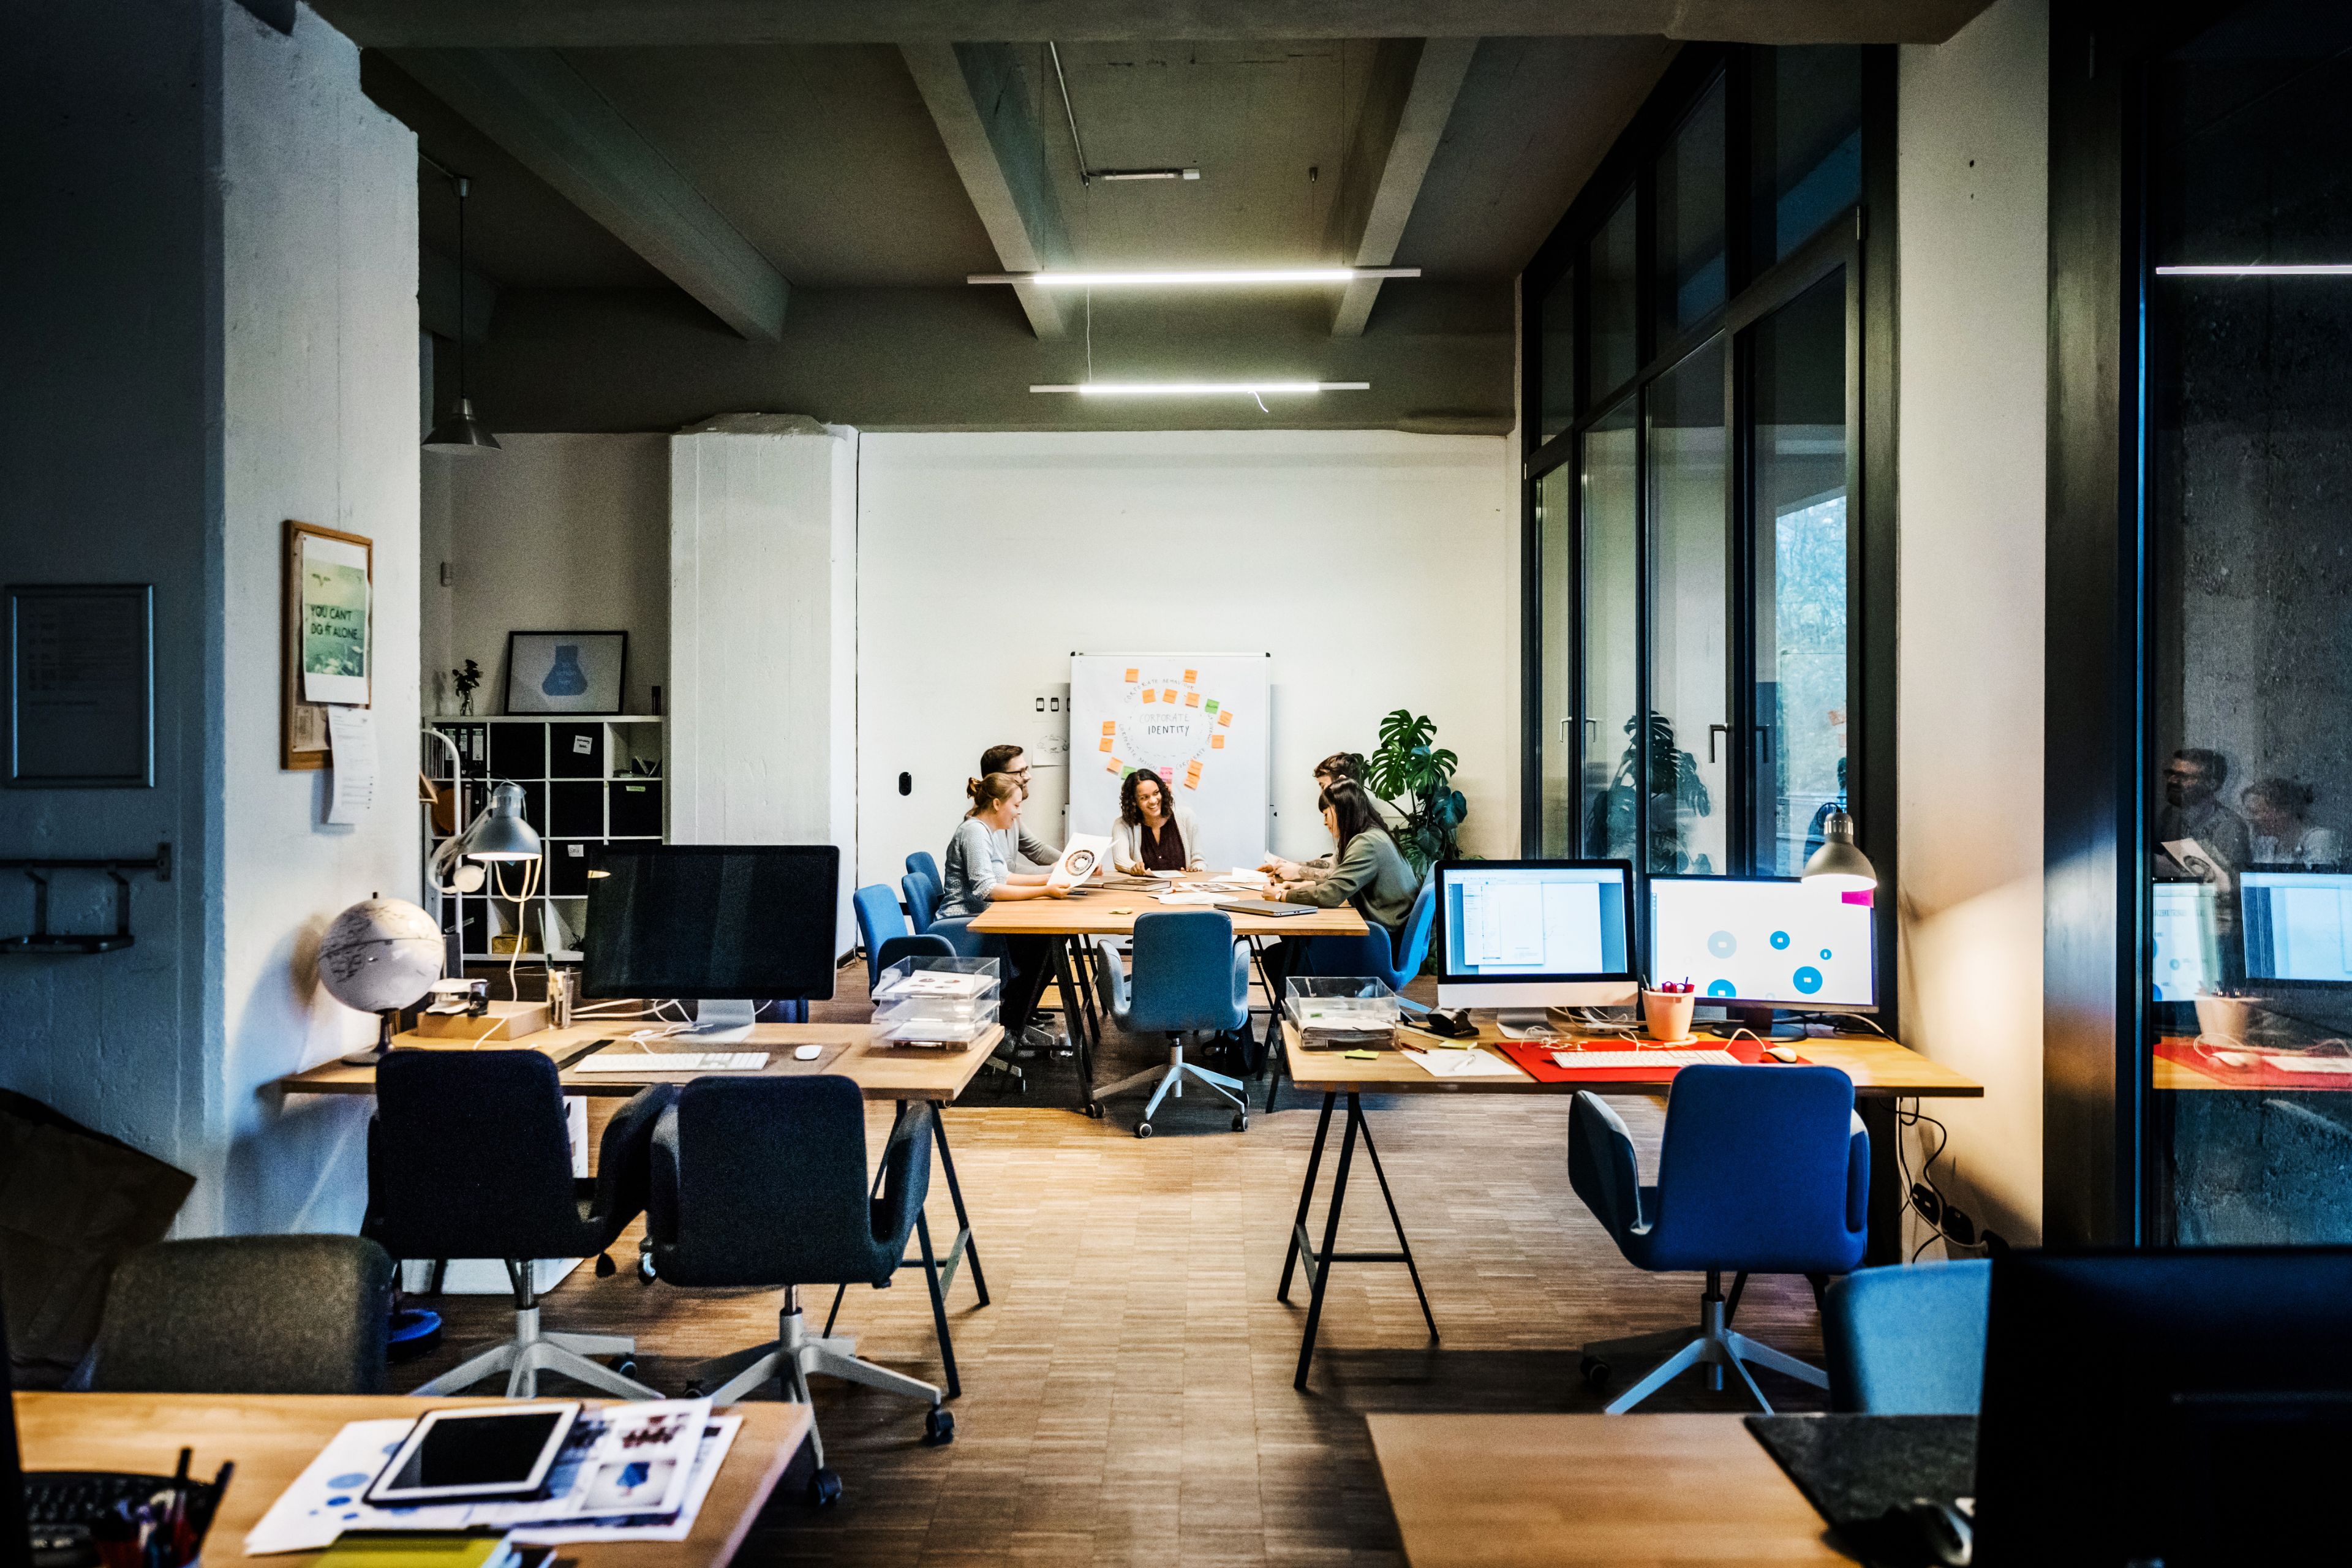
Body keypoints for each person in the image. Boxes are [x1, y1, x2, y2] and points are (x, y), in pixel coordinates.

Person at [1257, 778, 1422, 1013]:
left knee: (1278, 958)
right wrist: (1298, 889)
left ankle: (1311, 1019)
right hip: (1385, 937)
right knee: (1291, 944)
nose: (1325, 822)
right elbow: (1338, 880)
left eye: (1327, 814)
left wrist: (1282, 897)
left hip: (1377, 948)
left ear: (1342, 810)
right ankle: (1316, 1014)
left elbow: (1332, 894)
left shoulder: (1366, 843)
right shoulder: (1373, 835)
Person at [939, 772, 1068, 1042]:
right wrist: (1045, 889)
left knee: (1050, 946)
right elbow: (987, 889)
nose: (1019, 814)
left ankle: (1013, 1023)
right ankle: (1008, 1028)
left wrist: (1050, 878)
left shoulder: (987, 831)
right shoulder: (974, 832)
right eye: (1016, 805)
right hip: (967, 927)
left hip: (982, 920)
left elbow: (1004, 878)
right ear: (997, 804)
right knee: (1045, 949)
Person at [1259, 752, 1369, 883]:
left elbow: (1344, 877)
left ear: (1342, 782)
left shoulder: (1365, 836)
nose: (1322, 794)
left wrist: (1298, 873)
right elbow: (1334, 865)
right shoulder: (1353, 823)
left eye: (1323, 786)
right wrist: (1285, 866)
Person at [2158, 748, 2252, 875]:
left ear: (2212, 784)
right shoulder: (2169, 816)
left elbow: (2231, 883)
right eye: (2171, 774)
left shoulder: (2230, 826)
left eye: (2183, 776)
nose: (2172, 781)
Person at [979, 743, 1061, 870]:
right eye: (1020, 772)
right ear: (999, 778)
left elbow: (1036, 849)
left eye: (1026, 770)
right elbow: (1006, 869)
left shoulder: (1009, 812)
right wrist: (1057, 870)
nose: (1028, 777)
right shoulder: (988, 818)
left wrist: (1077, 862)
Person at [1112, 769, 1204, 873]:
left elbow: (1199, 861)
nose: (1153, 801)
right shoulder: (1122, 824)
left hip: (1182, 887)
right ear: (1134, 801)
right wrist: (1134, 868)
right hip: (1144, 888)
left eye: (1156, 793)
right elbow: (1120, 860)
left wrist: (1196, 870)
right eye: (1145, 797)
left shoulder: (1186, 816)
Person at [2242, 777, 2342, 868]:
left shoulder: (2319, 840)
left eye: (2255, 812)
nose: (2250, 819)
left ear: (2283, 811)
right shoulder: (2265, 844)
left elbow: (2320, 882)